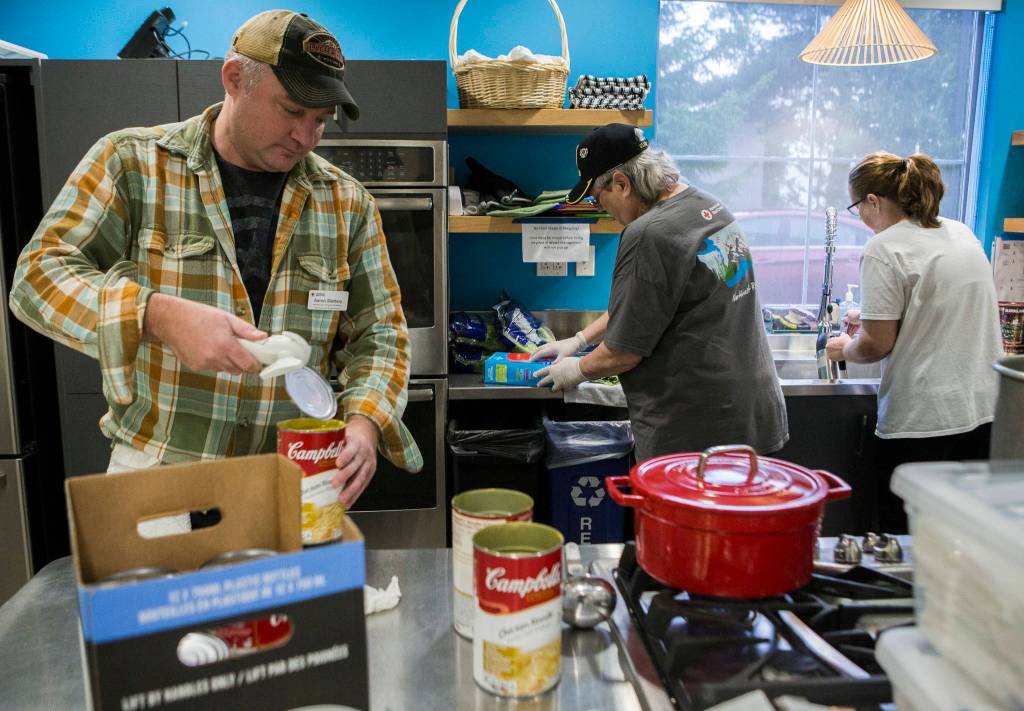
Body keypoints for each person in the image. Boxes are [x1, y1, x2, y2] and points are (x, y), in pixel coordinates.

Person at [8, 10, 422, 513]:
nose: (306, 137)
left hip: (294, 480)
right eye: (292, 110)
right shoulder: (132, 163)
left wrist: (364, 421)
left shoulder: (346, 202)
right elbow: (36, 277)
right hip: (160, 475)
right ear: (233, 79)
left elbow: (382, 333)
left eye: (320, 121)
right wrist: (155, 315)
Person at [532, 124, 788, 462]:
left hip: (697, 436)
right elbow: (647, 306)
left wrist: (576, 369)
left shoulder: (647, 234)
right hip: (752, 416)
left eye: (597, 197)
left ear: (621, 184)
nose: (601, 208)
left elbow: (623, 353)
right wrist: (579, 339)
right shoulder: (707, 207)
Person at [826, 151, 1002, 533]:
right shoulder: (959, 232)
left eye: (857, 208)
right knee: (957, 534)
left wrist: (844, 348)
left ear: (872, 201)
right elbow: (937, 309)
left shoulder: (885, 247)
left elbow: (875, 345)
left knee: (905, 538)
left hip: (924, 423)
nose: (862, 218)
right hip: (981, 413)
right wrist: (869, 316)